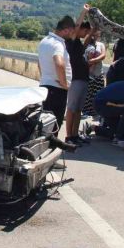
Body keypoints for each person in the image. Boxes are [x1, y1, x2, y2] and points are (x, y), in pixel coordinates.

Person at [37, 15, 78, 152]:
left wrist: (45, 77)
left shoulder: (44, 41)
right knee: (55, 125)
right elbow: (59, 63)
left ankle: (44, 152)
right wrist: (64, 83)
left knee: (46, 123)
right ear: (66, 30)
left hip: (45, 86)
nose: (72, 35)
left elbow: (39, 63)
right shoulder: (57, 44)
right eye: (71, 32)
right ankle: (51, 156)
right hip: (57, 89)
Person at [65, 4, 91, 146]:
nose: (85, 34)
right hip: (75, 79)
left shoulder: (79, 44)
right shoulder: (71, 41)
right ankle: (69, 136)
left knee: (78, 109)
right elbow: (77, 27)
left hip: (83, 78)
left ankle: (75, 135)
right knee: (72, 108)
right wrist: (84, 12)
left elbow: (85, 43)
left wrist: (92, 32)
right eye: (85, 31)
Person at [83, 29, 106, 117]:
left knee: (98, 95)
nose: (96, 37)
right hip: (87, 74)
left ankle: (97, 112)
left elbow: (103, 55)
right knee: (87, 95)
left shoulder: (101, 45)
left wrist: (93, 60)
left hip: (98, 73)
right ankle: (85, 112)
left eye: (98, 35)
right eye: (94, 35)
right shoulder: (86, 44)